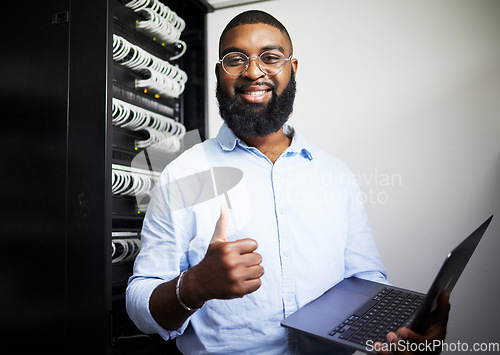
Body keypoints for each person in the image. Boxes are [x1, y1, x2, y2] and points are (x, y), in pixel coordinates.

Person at [126, 10, 449, 354]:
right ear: (220, 73)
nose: (253, 71)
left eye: (270, 57)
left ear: (292, 69)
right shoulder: (184, 174)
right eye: (236, 59)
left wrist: (401, 332)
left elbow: (366, 281)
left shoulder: (335, 174)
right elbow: (139, 305)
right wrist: (194, 286)